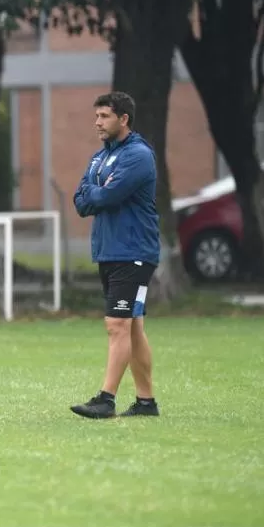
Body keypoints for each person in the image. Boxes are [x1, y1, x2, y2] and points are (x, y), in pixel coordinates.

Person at [71, 91, 161, 419]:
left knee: (116, 324)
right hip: (109, 251)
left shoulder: (138, 156)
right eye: (96, 116)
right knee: (132, 326)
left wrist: (98, 193)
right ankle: (146, 402)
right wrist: (98, 192)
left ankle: (105, 399)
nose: (97, 122)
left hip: (133, 252)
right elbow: (80, 201)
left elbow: (107, 196)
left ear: (123, 119)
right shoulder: (99, 158)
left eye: (104, 116)